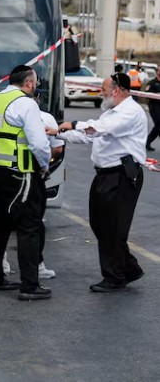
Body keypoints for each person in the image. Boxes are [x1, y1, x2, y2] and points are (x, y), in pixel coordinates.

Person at [50, 72, 147, 292]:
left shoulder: (130, 112)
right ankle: (128, 268)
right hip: (105, 175)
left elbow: (97, 129)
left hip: (121, 175)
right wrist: (58, 133)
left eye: (103, 88)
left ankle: (114, 277)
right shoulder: (111, 113)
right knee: (99, 224)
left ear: (116, 89)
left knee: (113, 228)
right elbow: (88, 136)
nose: (100, 92)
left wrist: (72, 123)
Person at [0, 65, 52, 301]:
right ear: (28, 83)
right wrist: (45, 165)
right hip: (20, 173)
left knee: (0, 225)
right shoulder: (26, 103)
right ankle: (30, 285)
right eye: (35, 83)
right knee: (29, 226)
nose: (35, 86)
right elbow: (38, 143)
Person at [145, 74, 160, 151]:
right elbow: (147, 93)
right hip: (154, 106)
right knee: (159, 124)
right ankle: (148, 141)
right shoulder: (152, 83)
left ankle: (147, 142)